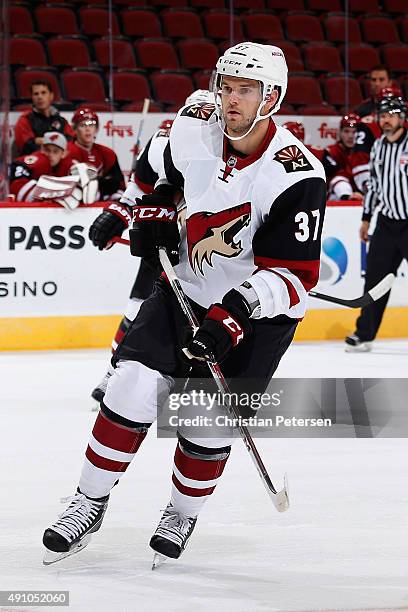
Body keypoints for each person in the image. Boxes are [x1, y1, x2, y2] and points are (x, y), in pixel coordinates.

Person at [43, 43, 326, 565]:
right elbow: (154, 174)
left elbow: (293, 278)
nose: (230, 98)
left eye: (246, 89)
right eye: (226, 84)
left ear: (273, 98)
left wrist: (236, 313)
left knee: (205, 421)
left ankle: (180, 511)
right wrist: (131, 209)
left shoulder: (296, 175)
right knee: (130, 384)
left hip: (256, 315)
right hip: (186, 290)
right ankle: (87, 502)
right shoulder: (195, 121)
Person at [88, 90, 214, 404]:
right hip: (165, 243)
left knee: (208, 318)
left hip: (209, 251)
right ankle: (114, 374)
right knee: (137, 310)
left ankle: (197, 381)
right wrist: (116, 213)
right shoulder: (160, 148)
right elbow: (137, 189)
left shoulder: (231, 157)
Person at [345, 94, 408, 352]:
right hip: (386, 223)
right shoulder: (379, 145)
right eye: (383, 115)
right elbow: (374, 186)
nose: (386, 120)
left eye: (391, 115)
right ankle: (364, 334)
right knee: (374, 281)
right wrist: (366, 219)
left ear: (402, 118)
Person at [68, 108, 126, 201]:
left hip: (101, 198)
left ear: (97, 129)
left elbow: (118, 183)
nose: (87, 129)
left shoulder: (107, 153)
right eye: (83, 125)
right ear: (75, 129)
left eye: (91, 125)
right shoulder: (67, 152)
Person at [9, 131, 76, 203]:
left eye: (55, 151)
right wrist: (42, 197)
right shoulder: (37, 161)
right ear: (42, 149)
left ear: (64, 154)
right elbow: (16, 184)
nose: (50, 154)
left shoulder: (70, 166)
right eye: (47, 150)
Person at [14, 80, 74, 155]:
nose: (40, 97)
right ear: (32, 98)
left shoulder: (61, 121)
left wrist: (41, 140)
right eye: (36, 94)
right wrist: (57, 143)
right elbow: (26, 146)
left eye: (43, 93)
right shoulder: (25, 120)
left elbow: (71, 142)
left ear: (51, 96)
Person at [323, 114, 363, 201]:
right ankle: (348, 198)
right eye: (346, 131)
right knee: (339, 180)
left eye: (354, 132)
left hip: (363, 193)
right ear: (340, 132)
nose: (350, 136)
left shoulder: (366, 153)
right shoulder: (331, 151)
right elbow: (335, 179)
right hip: (336, 196)